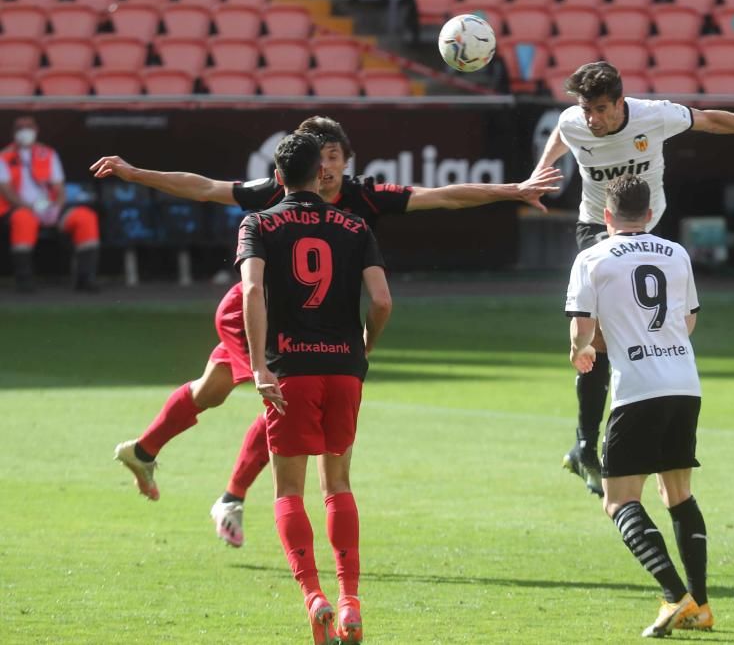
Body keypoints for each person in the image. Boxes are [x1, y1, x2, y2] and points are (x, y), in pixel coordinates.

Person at [96, 116, 561, 547]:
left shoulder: (363, 197)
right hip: (254, 310)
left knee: (214, 389)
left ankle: (143, 449)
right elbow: (203, 188)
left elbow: (442, 196)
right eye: (319, 155)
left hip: (299, 316)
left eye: (334, 155)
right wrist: (137, 174)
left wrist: (515, 190)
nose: (326, 165)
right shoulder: (276, 190)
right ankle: (231, 498)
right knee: (285, 395)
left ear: (345, 160)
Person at [533, 61, 734, 498]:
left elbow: (711, 121)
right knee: (601, 340)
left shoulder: (654, 115)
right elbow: (564, 130)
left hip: (646, 229)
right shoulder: (576, 122)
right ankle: (589, 443)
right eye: (586, 109)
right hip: (596, 229)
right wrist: (542, 169)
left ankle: (592, 442)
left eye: (601, 109)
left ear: (621, 101)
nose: (592, 119)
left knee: (635, 337)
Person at [237, 132, 389, 644]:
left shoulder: (258, 222)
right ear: (318, 174)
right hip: (344, 367)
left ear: (278, 177)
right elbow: (383, 301)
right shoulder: (354, 225)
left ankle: (314, 597)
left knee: (288, 491)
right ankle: (350, 601)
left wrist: (259, 366)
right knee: (338, 484)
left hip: (290, 369)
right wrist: (366, 343)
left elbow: (253, 290)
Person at [566, 175, 711, 637]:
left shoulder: (592, 257)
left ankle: (674, 596)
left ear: (606, 216)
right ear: (650, 214)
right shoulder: (676, 253)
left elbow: (581, 331)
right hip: (684, 383)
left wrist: (582, 351)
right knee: (678, 494)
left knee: (619, 499)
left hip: (638, 388)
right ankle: (702, 605)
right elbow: (686, 322)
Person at [1, 115, 100, 292]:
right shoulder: (4, 156)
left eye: (28, 127)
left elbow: (59, 188)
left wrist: (56, 208)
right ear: (13, 132)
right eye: (20, 127)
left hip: (49, 209)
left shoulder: (48, 154)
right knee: (24, 220)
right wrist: (30, 208)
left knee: (85, 217)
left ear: (36, 130)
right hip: (20, 208)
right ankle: (25, 282)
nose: (25, 131)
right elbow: (7, 191)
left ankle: (86, 279)